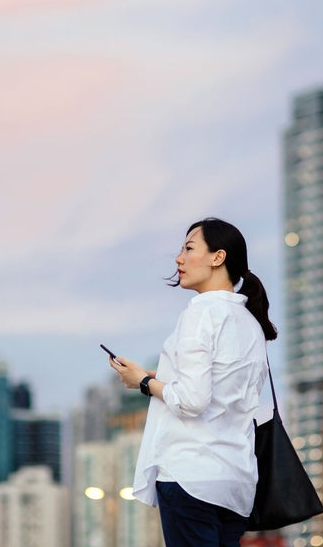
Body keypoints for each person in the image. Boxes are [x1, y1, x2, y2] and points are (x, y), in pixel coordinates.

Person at [109, 217, 277, 547]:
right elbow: (225, 389)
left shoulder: (200, 313)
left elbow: (192, 401)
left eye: (188, 248)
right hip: (237, 484)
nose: (178, 259)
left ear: (218, 257)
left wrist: (143, 382)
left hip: (192, 476)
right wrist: (162, 378)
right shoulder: (249, 323)